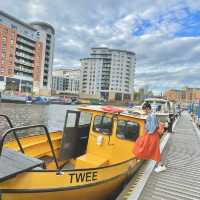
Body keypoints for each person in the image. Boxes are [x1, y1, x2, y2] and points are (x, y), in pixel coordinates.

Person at [133, 102, 166, 173]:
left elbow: (153, 127)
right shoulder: (151, 115)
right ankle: (160, 165)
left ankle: (161, 165)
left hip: (152, 135)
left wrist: (148, 132)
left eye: (145, 109)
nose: (144, 111)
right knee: (151, 149)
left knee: (145, 146)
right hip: (151, 135)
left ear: (148, 108)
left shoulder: (152, 115)